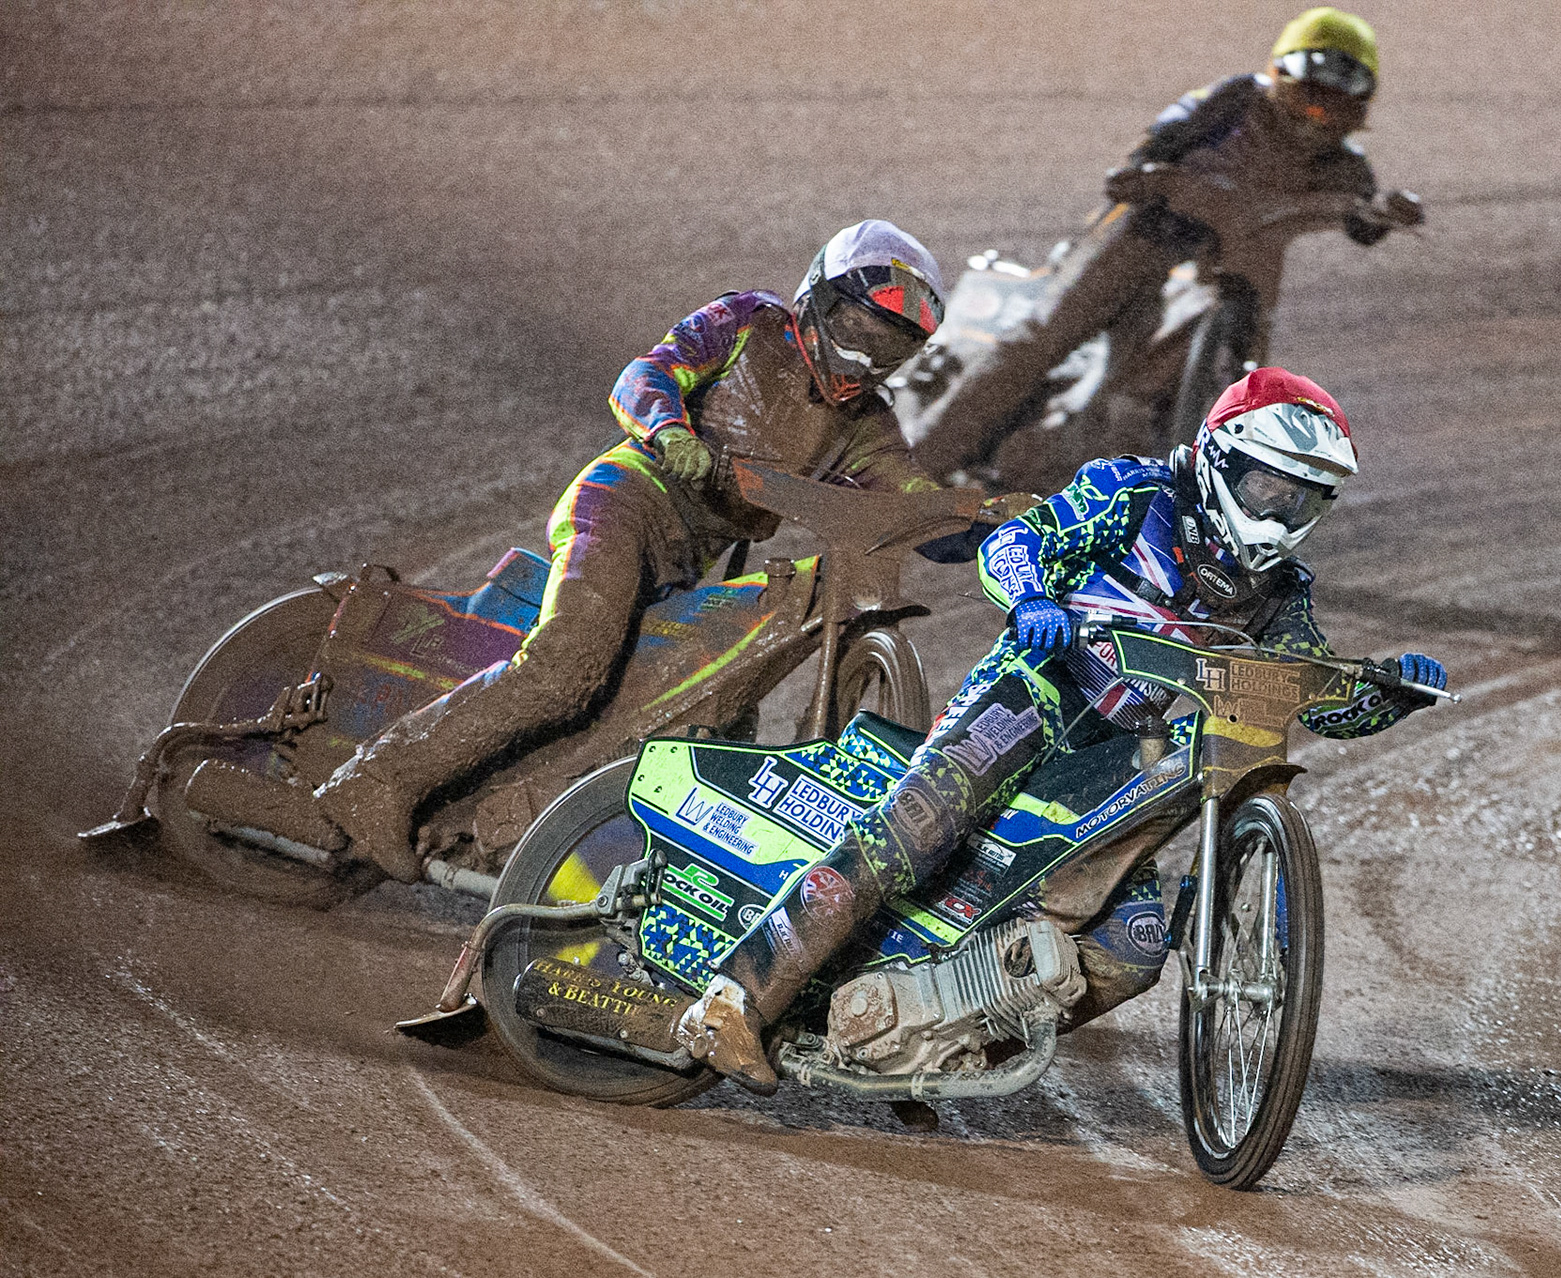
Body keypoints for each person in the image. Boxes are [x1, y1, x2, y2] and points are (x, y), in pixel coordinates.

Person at [678, 365, 1447, 1093]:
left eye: (1301, 501)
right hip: (1032, 693)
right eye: (1266, 489)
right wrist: (1032, 601)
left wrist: (1390, 691)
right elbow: (1019, 541)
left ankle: (935, 1044)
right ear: (1220, 459)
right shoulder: (1136, 491)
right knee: (914, 830)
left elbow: (1311, 695)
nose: (1279, 516)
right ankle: (729, 1003)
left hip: (1120, 753)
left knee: (1136, 944)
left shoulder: (1281, 592)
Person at [252, 221, 949, 881]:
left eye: (889, 347)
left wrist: (993, 524)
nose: (866, 356)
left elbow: (914, 499)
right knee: (568, 667)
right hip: (627, 499)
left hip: (688, 560)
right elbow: (645, 375)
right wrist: (670, 431)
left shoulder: (868, 425)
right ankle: (372, 783)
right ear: (818, 299)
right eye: (859, 329)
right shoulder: (749, 322)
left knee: (704, 713)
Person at [910, 6, 1419, 482]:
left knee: (1246, 391)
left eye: (1346, 79)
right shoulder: (1235, 100)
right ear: (1282, 66)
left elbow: (1363, 219)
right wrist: (1142, 170)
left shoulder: (1346, 165)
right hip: (1152, 232)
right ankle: (916, 470)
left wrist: (1387, 214)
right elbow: (1167, 132)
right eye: (1317, 69)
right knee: (1043, 339)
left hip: (1240, 268)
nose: (1325, 93)